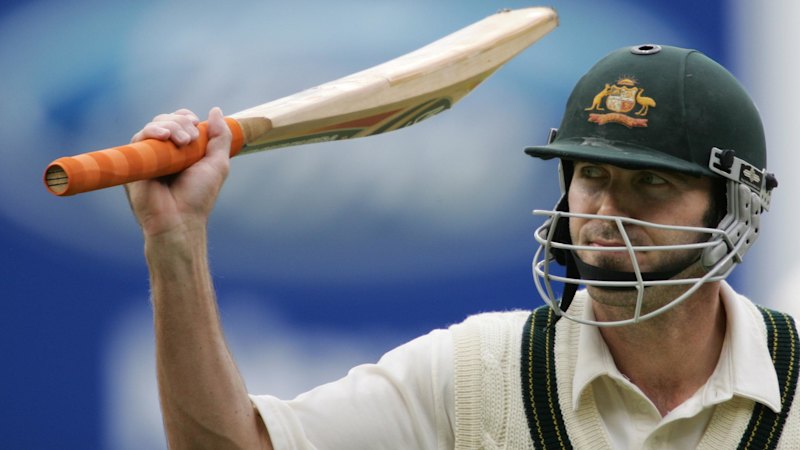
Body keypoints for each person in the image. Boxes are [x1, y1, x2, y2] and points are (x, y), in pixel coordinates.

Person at [125, 45, 798, 449]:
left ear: (735, 206)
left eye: (650, 181)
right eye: (592, 174)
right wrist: (175, 242)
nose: (606, 211)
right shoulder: (478, 373)